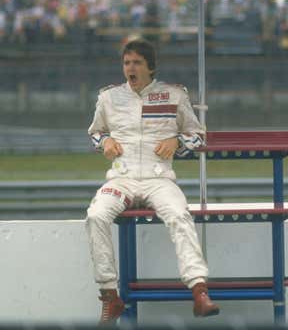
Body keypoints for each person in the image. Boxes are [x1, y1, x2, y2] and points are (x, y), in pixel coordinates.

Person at [85, 38, 219, 324]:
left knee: (179, 215)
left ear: (150, 67)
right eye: (126, 63)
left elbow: (198, 135)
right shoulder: (108, 97)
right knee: (96, 215)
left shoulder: (174, 95)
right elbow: (95, 133)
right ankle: (110, 296)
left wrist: (177, 140)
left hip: (160, 179)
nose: (130, 68)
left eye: (136, 63)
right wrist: (105, 140)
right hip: (122, 177)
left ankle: (199, 291)